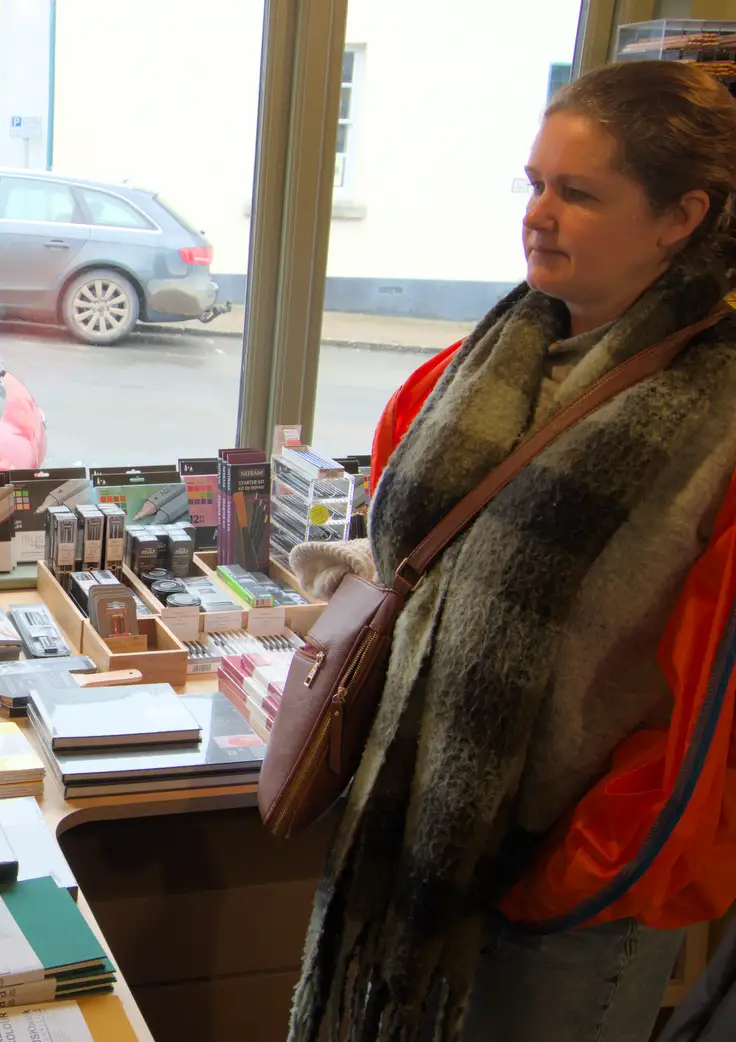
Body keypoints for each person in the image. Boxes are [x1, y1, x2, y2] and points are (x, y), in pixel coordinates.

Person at [286, 59, 736, 1042]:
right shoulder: (480, 364)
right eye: (534, 184)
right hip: (415, 852)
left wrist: (575, 866)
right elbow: (428, 571)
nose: (538, 214)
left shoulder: (718, 416)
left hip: (568, 886)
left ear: (679, 217)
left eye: (578, 194)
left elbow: (710, 720)